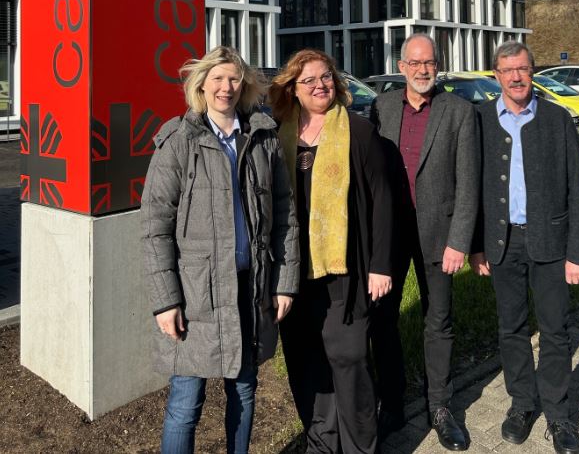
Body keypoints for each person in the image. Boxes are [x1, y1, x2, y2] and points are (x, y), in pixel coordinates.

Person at [140, 46, 299, 454]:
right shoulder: (179, 140)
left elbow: (285, 214)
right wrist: (165, 301)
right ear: (202, 85)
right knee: (185, 403)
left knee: (244, 394)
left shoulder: (261, 137)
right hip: (196, 296)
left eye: (233, 79)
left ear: (243, 85)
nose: (225, 87)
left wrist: (285, 283)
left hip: (251, 289)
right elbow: (155, 226)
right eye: (217, 79)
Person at [469, 40, 579, 454]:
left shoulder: (558, 119)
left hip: (551, 242)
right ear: (496, 76)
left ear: (532, 71)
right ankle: (522, 403)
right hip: (501, 243)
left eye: (522, 69)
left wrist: (578, 252)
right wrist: (475, 246)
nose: (516, 77)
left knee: (555, 330)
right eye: (508, 71)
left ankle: (559, 415)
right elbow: (470, 188)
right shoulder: (481, 119)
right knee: (511, 328)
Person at [268, 49, 393, 453]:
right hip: (292, 274)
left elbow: (382, 199)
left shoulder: (358, 131)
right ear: (293, 88)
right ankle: (322, 441)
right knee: (305, 363)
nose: (320, 85)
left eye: (326, 77)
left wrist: (380, 265)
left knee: (350, 359)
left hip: (345, 271)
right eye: (309, 81)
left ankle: (360, 445)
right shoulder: (276, 133)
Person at [370, 33, 480, 451]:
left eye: (429, 63)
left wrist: (460, 241)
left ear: (438, 66)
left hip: (440, 234)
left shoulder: (458, 112)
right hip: (390, 235)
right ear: (401, 67)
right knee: (382, 319)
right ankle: (393, 405)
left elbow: (469, 184)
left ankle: (440, 407)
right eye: (414, 63)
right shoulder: (381, 108)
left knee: (439, 321)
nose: (422, 69)